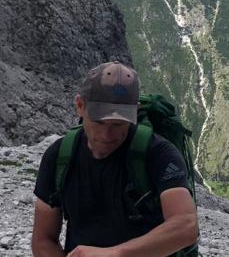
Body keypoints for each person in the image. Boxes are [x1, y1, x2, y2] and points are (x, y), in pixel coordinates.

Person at [31, 62, 198, 257]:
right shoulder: (59, 155)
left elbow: (186, 226)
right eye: (99, 122)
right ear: (80, 106)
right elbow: (43, 239)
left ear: (135, 112)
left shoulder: (158, 153)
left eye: (119, 124)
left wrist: (115, 254)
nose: (107, 134)